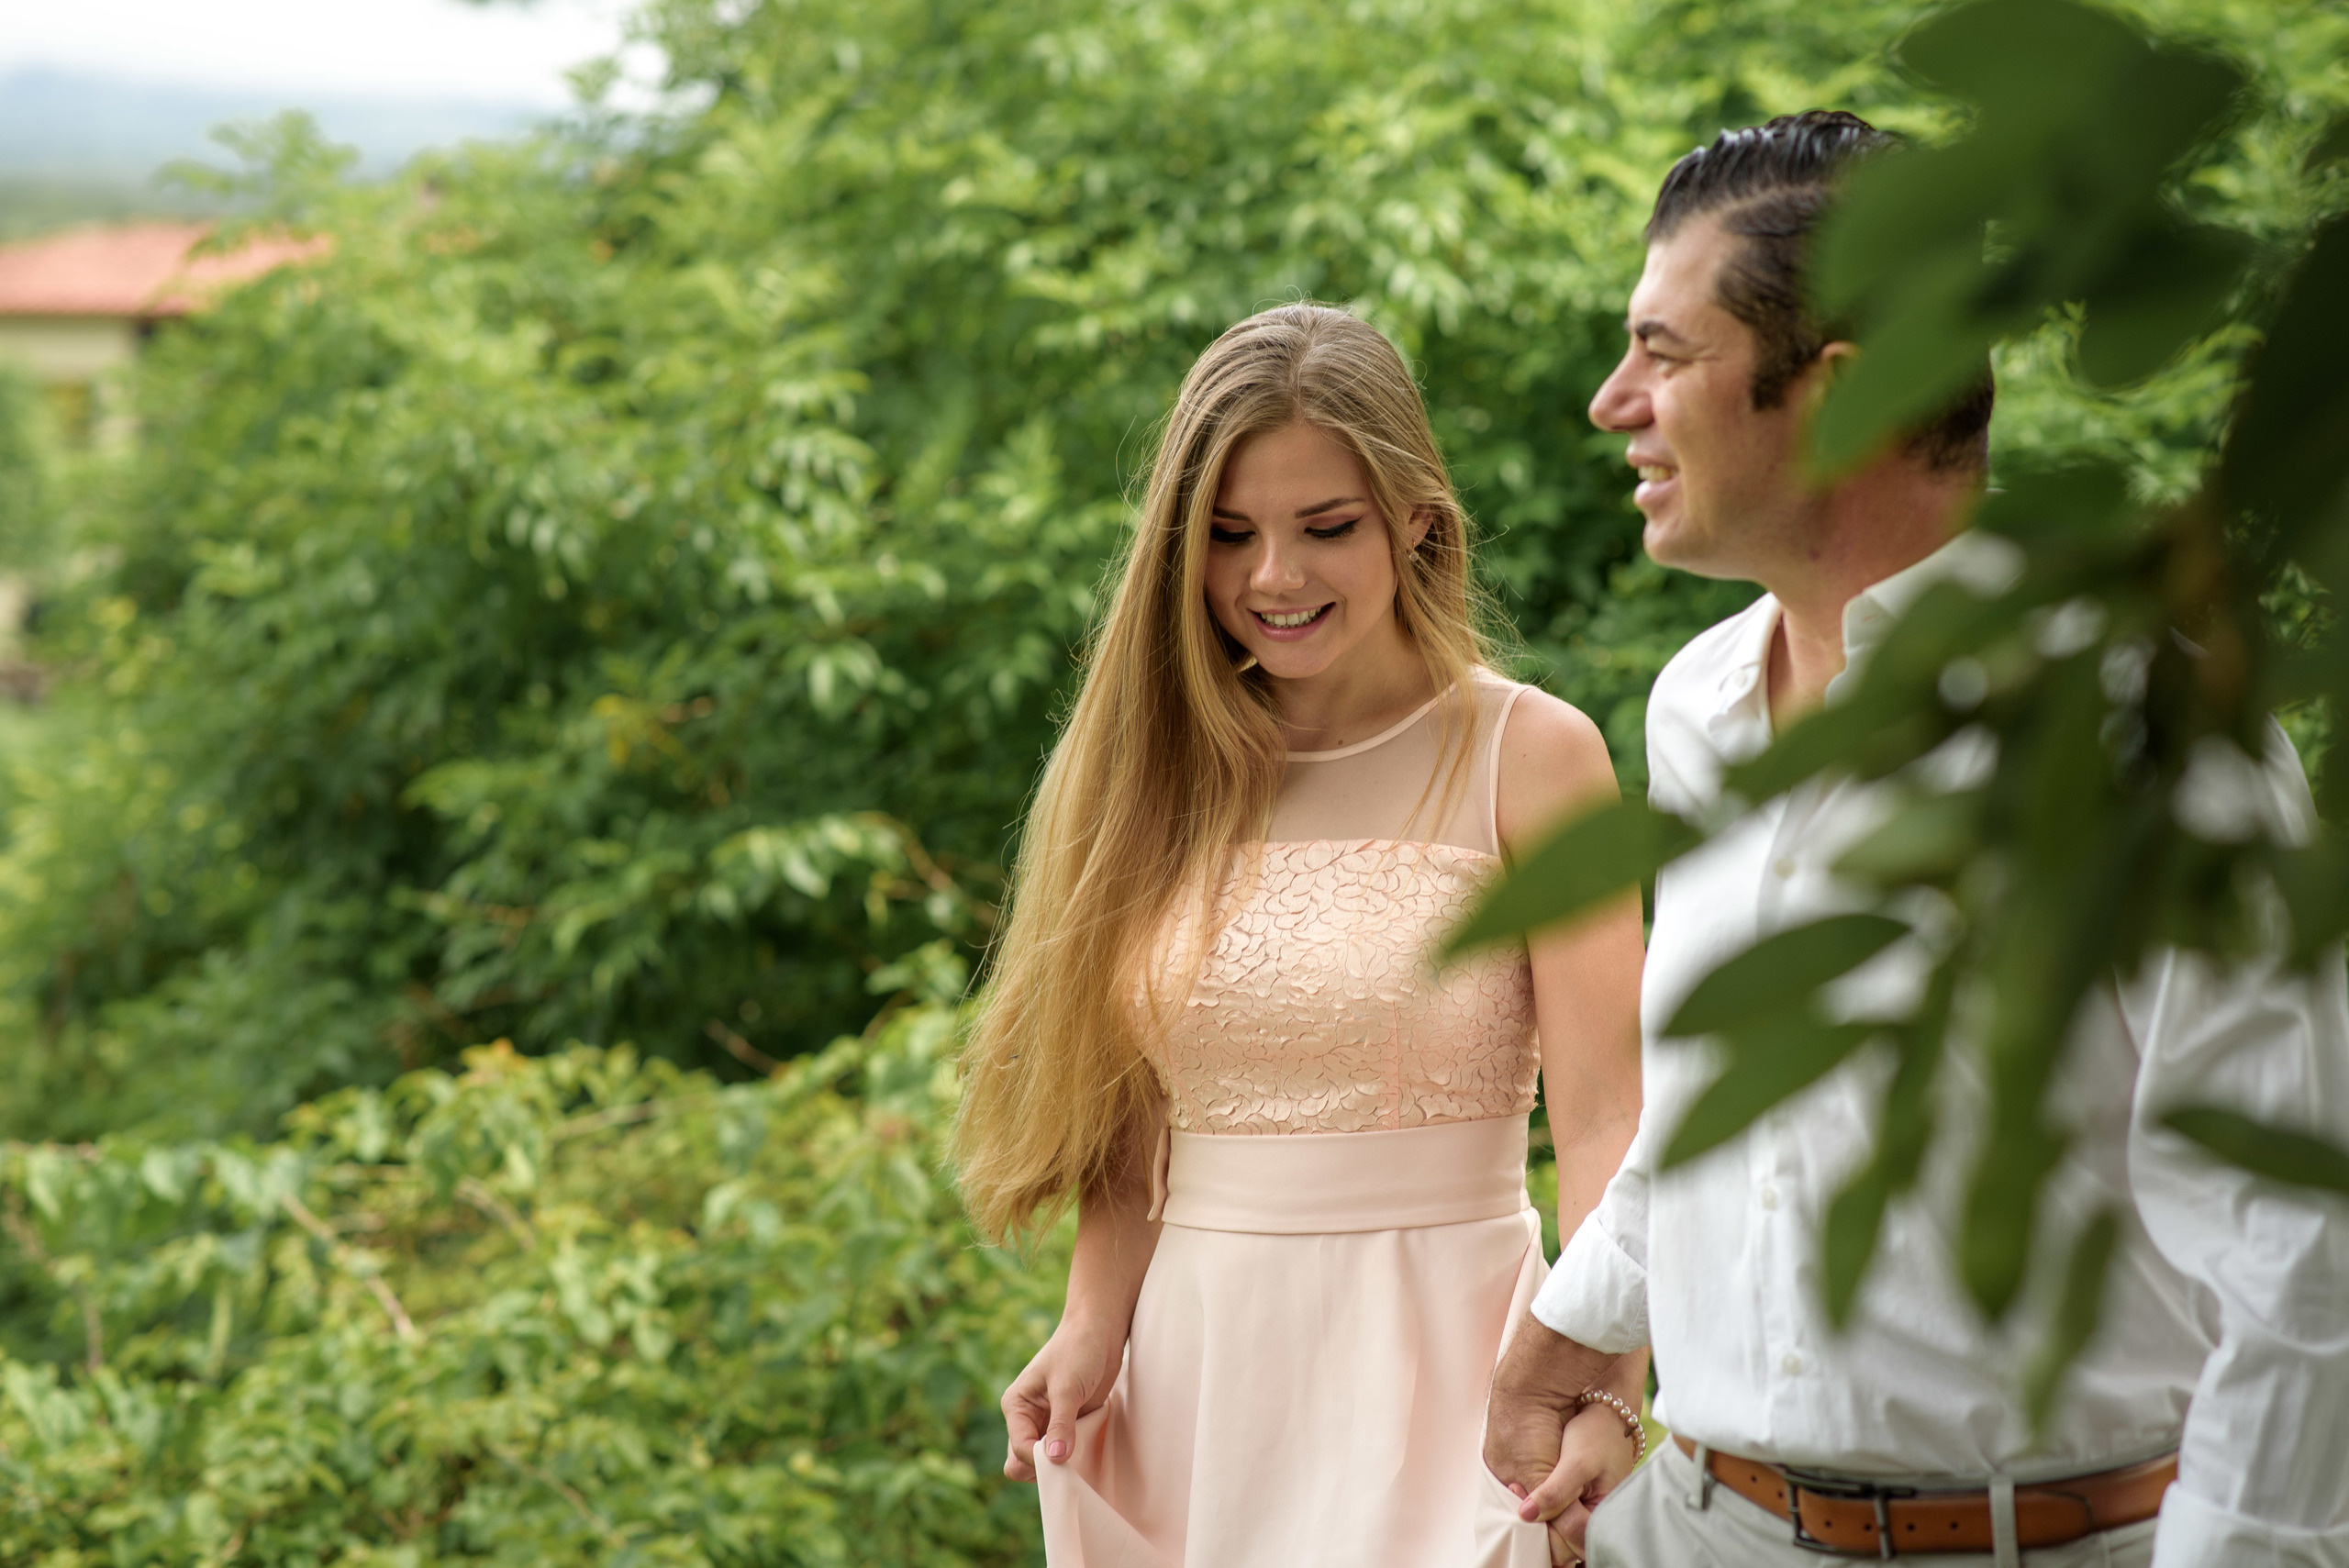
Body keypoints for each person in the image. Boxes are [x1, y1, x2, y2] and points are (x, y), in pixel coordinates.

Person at [1482, 110, 2349, 1567]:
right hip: (1696, 1523)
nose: (1611, 400)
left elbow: (2304, 1245)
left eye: (1665, 353)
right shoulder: (1698, 701)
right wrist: (1583, 1320)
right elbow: (1725, 1096)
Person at [951, 303, 1649, 1567]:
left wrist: (1601, 1378)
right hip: (1201, 1379)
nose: (1272, 576)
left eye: (1325, 527)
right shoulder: (1151, 771)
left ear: (1416, 520)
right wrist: (1090, 1316)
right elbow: (1128, 1111)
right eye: (1227, 536)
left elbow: (1607, 1116)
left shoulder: (1533, 755)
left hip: (1457, 1370)